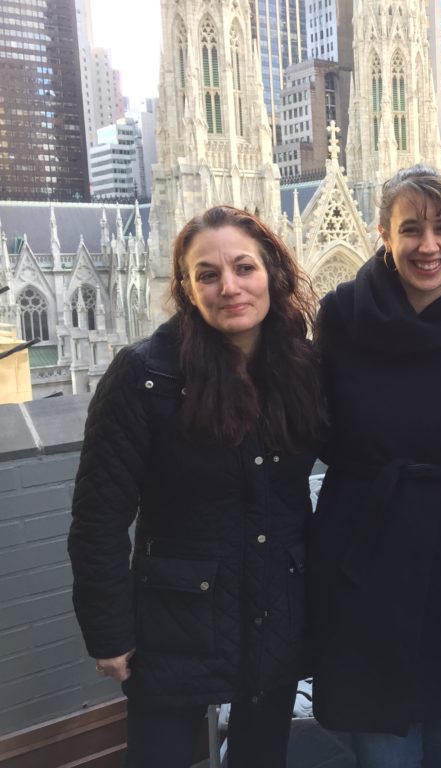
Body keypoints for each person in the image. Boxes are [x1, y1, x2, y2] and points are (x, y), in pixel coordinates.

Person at [68, 206, 327, 767]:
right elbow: (99, 518)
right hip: (175, 622)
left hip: (274, 612)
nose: (229, 287)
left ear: (272, 274)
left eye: (244, 267)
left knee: (261, 759)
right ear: (186, 289)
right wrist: (108, 631)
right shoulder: (142, 376)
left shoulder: (301, 367)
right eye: (207, 275)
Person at [309, 164, 441, 766]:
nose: (429, 247)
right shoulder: (343, 313)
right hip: (366, 536)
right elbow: (311, 421)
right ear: (383, 233)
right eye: (411, 230)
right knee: (382, 726)